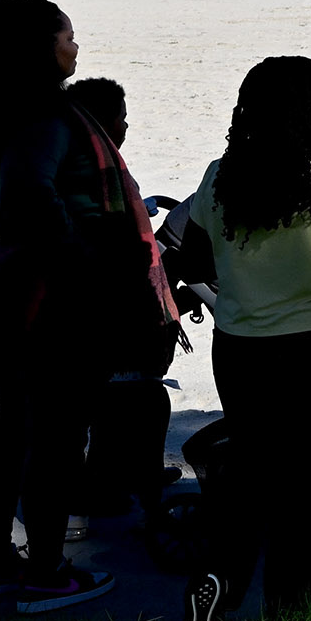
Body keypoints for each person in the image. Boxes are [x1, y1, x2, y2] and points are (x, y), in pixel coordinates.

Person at [0, 0, 165, 616]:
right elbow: (29, 193)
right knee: (58, 435)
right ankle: (46, 571)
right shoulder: (44, 117)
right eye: (68, 36)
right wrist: (82, 262)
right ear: (38, 48)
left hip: (17, 283)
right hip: (57, 295)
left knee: (14, 425)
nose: (76, 46)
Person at [162, 57, 311, 621]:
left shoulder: (220, 176)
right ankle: (289, 607)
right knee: (306, 483)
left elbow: (195, 258)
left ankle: (223, 582)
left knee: (250, 468)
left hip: (240, 348)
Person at [65, 75, 180, 529]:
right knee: (144, 399)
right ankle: (138, 484)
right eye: (122, 118)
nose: (126, 127)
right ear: (104, 120)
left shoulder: (86, 161)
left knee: (106, 403)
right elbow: (112, 237)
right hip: (116, 306)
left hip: (96, 305)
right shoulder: (96, 168)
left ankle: (111, 478)